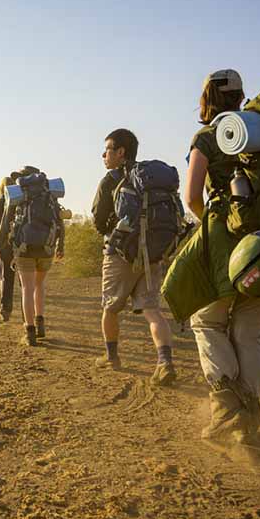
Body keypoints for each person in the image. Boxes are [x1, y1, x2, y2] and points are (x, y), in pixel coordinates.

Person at [169, 68, 260, 442]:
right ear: (242, 95)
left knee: (208, 322)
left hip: (227, 245)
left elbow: (193, 196)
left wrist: (214, 224)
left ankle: (228, 411)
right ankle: (250, 411)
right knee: (250, 331)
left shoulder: (209, 136)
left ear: (207, 96)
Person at [91, 129, 176, 386]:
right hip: (152, 253)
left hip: (120, 255)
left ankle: (111, 357)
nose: (103, 155)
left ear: (120, 152)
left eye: (107, 149)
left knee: (110, 307)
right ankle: (164, 363)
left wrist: (114, 233)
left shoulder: (110, 181)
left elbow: (97, 219)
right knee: (152, 310)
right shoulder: (149, 179)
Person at [0, 165, 64, 346]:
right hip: (46, 247)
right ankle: (41, 326)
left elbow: (4, 222)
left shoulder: (17, 194)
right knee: (39, 286)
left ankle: (29, 332)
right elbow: (59, 219)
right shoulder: (48, 192)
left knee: (27, 288)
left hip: (24, 248)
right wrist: (60, 245)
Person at [0, 174, 20, 321]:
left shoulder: (0, 200)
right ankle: (29, 313)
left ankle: (5, 310)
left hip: (5, 245)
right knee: (24, 280)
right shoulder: (20, 198)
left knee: (6, 278)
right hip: (21, 243)